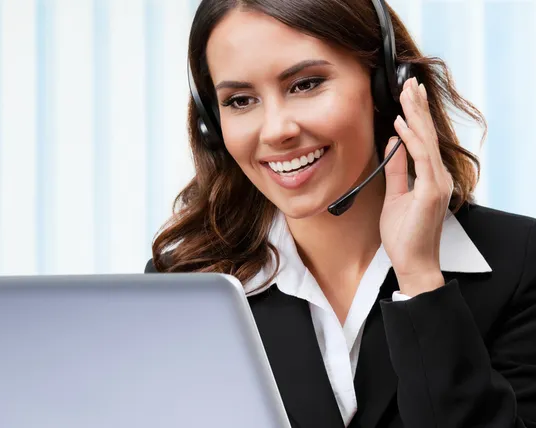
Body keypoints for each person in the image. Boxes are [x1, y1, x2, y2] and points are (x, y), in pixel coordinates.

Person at [145, 0, 536, 427]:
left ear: (387, 86)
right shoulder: (187, 285)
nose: (276, 130)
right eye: (240, 100)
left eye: (306, 84)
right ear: (211, 124)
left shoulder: (519, 265)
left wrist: (421, 280)